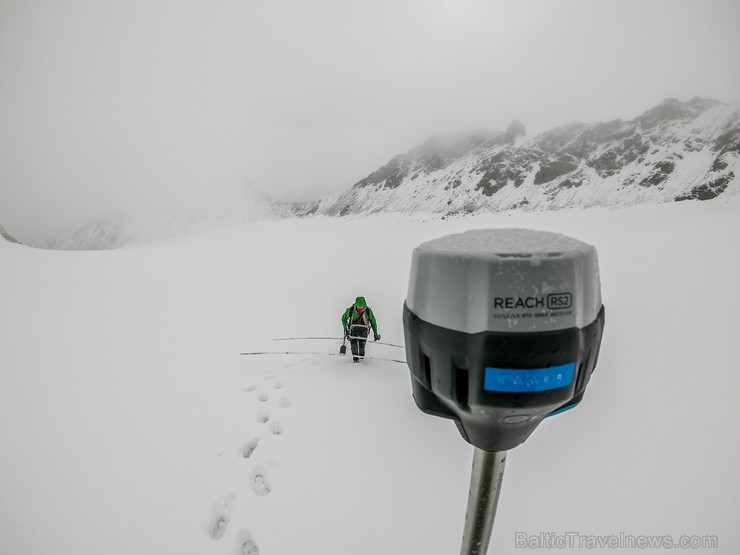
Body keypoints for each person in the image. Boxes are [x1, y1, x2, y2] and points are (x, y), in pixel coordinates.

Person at [341, 296, 380, 362]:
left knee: (362, 346)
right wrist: (346, 330)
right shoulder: (350, 310)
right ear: (356, 305)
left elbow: (373, 322)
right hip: (353, 330)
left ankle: (362, 359)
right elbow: (343, 319)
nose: (360, 309)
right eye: (359, 307)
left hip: (363, 330)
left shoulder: (368, 311)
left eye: (362, 307)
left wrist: (375, 333)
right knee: (354, 346)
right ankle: (355, 359)